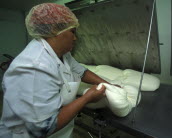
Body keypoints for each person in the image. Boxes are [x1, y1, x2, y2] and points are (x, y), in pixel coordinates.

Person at [0, 3, 110, 138]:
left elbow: (81, 71)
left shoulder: (62, 53)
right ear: (54, 30)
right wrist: (87, 98)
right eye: (72, 32)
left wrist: (107, 84)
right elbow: (43, 127)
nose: (75, 38)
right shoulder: (35, 67)